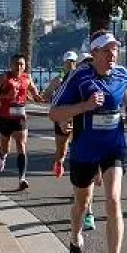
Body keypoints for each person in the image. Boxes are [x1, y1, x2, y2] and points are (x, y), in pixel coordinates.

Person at [49, 31, 127, 253]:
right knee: (82, 203)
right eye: (107, 51)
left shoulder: (122, 74)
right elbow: (54, 112)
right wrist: (84, 106)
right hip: (85, 149)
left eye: (115, 50)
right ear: (94, 53)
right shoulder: (79, 77)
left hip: (113, 147)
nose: (112, 55)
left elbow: (126, 99)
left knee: (114, 200)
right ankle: (75, 239)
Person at [0, 54, 42, 191]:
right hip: (4, 117)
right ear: (11, 64)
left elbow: (32, 89)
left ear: (25, 65)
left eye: (22, 64)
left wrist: (36, 96)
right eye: (16, 64)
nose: (19, 67)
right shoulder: (4, 77)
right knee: (5, 147)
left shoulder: (27, 77)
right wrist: (5, 96)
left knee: (21, 144)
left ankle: (22, 178)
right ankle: (1, 155)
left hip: (19, 116)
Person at [45, 51, 81, 179]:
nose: (71, 64)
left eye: (73, 62)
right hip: (62, 116)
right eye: (68, 62)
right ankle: (59, 162)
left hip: (77, 115)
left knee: (79, 146)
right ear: (64, 63)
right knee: (62, 149)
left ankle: (80, 175)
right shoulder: (58, 78)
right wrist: (53, 94)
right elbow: (47, 94)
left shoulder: (80, 78)